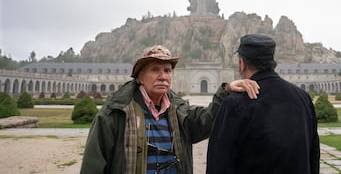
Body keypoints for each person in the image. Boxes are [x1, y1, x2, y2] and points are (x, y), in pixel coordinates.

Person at [80, 45, 259, 174]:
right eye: (155, 69)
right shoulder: (115, 113)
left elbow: (207, 121)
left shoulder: (179, 111)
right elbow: (93, 165)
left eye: (167, 70)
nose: (163, 76)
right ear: (140, 76)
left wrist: (226, 90)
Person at [206, 34, 320, 174]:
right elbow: (313, 156)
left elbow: (218, 165)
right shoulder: (303, 98)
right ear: (272, 62)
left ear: (242, 64)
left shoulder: (235, 103)